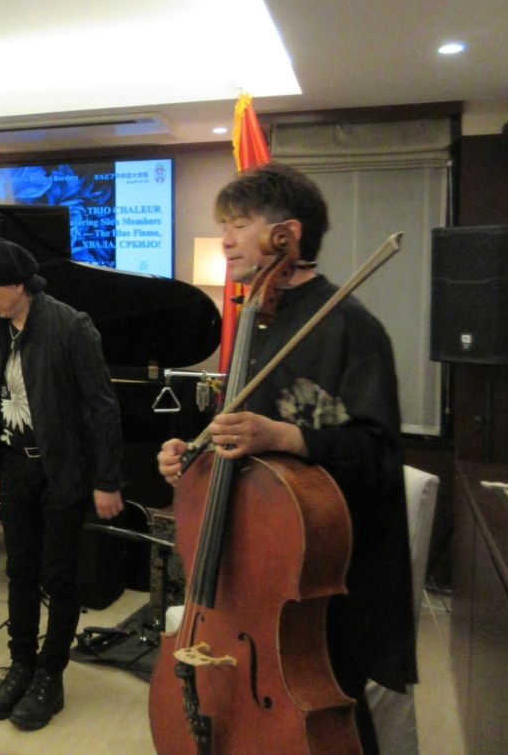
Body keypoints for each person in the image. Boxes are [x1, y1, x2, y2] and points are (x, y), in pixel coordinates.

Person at [156, 162, 416, 754]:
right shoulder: (256, 321)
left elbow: (379, 456)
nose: (224, 239)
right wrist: (192, 457)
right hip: (255, 561)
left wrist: (286, 436)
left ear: (286, 235)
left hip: (329, 574)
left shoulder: (351, 326)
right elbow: (239, 438)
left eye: (238, 224)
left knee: (327, 708)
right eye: (223, 224)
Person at [0, 238, 126, 732]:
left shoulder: (70, 326)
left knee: (59, 577)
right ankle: (21, 665)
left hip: (63, 470)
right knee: (19, 571)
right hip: (16, 466)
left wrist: (107, 479)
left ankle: (50, 676)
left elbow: (102, 407)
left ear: (18, 285)